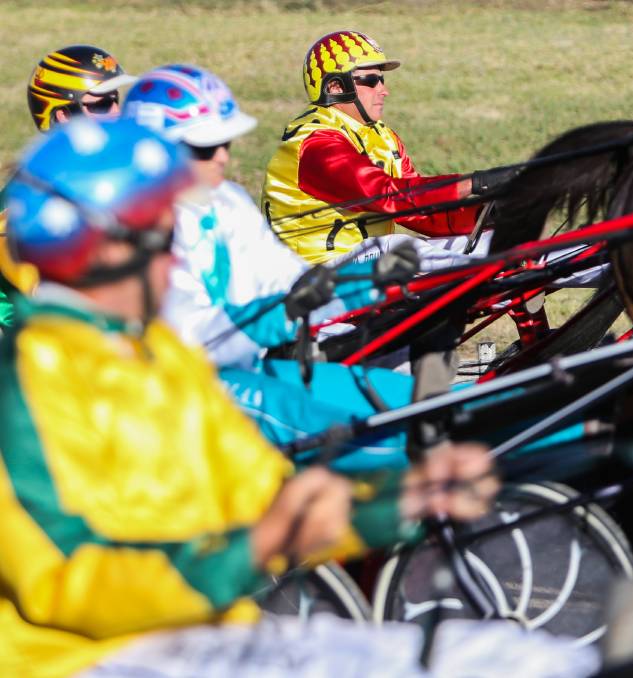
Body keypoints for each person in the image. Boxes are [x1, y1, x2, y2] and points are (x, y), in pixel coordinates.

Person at [0, 117, 596, 678]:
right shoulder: (25, 386)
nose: (177, 257)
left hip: (202, 634)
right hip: (85, 661)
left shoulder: (161, 359)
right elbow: (71, 584)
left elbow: (264, 494)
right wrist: (260, 546)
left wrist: (396, 498)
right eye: (164, 236)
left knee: (515, 659)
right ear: (107, 251)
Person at [122, 64, 424, 466]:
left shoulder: (224, 200)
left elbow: (285, 277)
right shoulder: (130, 227)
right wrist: (279, 314)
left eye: (225, 141)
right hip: (188, 391)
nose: (222, 157)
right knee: (399, 443)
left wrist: (355, 283)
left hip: (251, 370)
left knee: (423, 402)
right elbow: (188, 342)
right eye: (203, 148)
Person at [262, 30, 511, 269]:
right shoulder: (316, 144)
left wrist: (486, 215)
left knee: (505, 242)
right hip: (309, 277)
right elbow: (386, 196)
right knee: (397, 248)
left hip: (363, 267)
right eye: (371, 80)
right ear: (335, 88)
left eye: (382, 79)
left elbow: (418, 212)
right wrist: (476, 182)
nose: (383, 90)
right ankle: (474, 275)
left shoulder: (383, 138)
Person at [0, 44, 138, 329]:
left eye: (115, 100)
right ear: (63, 115)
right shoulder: (25, 206)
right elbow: (55, 310)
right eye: (100, 104)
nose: (115, 113)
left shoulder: (106, 180)